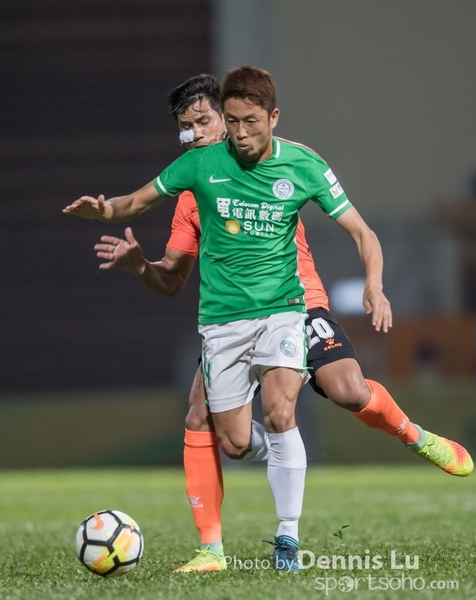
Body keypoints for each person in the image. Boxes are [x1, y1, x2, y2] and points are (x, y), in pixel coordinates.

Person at [63, 67, 473, 571]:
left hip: (296, 301)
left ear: (232, 117)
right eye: (184, 128)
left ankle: (413, 438)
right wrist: (138, 264)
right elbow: (170, 279)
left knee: (345, 390)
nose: (195, 134)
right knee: (218, 430)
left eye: (203, 122)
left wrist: (374, 284)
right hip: (228, 317)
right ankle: (227, 527)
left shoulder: (283, 162)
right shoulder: (193, 187)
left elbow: (354, 227)